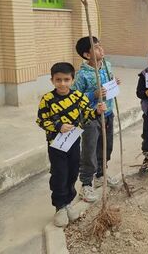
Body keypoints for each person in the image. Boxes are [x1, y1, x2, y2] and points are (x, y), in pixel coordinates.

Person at [37, 62, 106, 227]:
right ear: (52, 80)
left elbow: (87, 115)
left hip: (74, 141)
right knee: (59, 174)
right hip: (56, 144)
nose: (62, 83)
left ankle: (68, 202)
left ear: (72, 80)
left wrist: (97, 111)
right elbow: (41, 120)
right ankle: (59, 207)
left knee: (73, 172)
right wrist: (58, 126)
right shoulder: (47, 99)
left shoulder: (78, 97)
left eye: (66, 79)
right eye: (58, 80)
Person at [73, 36, 120, 203]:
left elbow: (109, 85)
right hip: (90, 118)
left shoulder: (107, 65)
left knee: (106, 146)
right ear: (87, 55)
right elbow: (75, 98)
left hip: (107, 114)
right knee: (89, 150)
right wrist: (93, 95)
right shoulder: (82, 75)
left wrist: (114, 84)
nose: (101, 49)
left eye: (100, 45)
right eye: (96, 47)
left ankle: (101, 175)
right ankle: (86, 184)